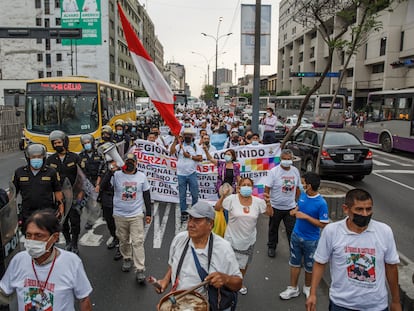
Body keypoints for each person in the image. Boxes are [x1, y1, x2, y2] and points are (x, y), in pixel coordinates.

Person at [306, 189, 401, 311]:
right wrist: (312, 293)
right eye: (359, 209)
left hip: (376, 306)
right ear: (346, 209)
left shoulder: (384, 231)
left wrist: (396, 301)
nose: (365, 214)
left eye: (369, 209)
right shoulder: (332, 231)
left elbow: (391, 267)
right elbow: (320, 262)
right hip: (341, 304)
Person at [154, 201, 243, 309]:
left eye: (197, 220)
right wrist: (165, 280)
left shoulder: (223, 249)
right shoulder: (179, 239)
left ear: (210, 224)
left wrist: (226, 279)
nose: (190, 224)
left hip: (204, 305)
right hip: (178, 302)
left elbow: (238, 284)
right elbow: (173, 264)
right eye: (190, 218)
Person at [0, 209, 92, 310]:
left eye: (39, 236)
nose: (32, 240)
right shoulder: (19, 260)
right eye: (29, 235)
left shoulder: (71, 262)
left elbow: (83, 299)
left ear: (54, 237)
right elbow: (3, 293)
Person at [215, 177, 273, 295]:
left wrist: (268, 202)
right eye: (244, 185)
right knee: (227, 263)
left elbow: (269, 213)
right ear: (239, 188)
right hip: (230, 239)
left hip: (248, 241)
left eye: (249, 185)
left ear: (252, 188)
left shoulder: (258, 202)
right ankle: (226, 282)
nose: (246, 187)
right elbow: (217, 208)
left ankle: (239, 282)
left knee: (243, 264)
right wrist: (223, 196)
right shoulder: (231, 199)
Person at [279, 172, 329, 300]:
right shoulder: (302, 195)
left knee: (309, 266)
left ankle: (307, 287)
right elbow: (299, 207)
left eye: (303, 183)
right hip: (296, 235)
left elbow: (323, 224)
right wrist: (295, 210)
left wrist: (306, 217)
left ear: (310, 185)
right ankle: (293, 288)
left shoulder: (321, 203)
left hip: (311, 240)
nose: (301, 185)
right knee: (294, 263)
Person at [110, 152, 152, 284]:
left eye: (131, 161)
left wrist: (149, 214)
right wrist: (111, 171)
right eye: (127, 161)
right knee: (123, 239)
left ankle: (140, 269)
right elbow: (105, 186)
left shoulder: (141, 177)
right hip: (120, 214)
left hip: (136, 215)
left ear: (136, 163)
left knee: (138, 241)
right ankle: (127, 258)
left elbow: (146, 195)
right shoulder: (116, 175)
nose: (129, 163)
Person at [12, 144, 64, 233]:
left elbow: (57, 191)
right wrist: (10, 211)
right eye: (33, 157)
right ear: (28, 158)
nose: (36, 159)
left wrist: (61, 206)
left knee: (46, 236)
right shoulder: (19, 172)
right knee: (30, 237)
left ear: (43, 157)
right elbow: (13, 194)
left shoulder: (51, 172)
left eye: (39, 157)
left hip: (46, 212)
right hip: (27, 213)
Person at [46, 130, 82, 254]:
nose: (57, 145)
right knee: (63, 221)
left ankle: (75, 243)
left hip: (74, 195)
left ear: (65, 142)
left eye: (59, 142)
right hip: (59, 197)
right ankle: (68, 241)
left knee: (75, 221)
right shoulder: (50, 160)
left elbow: (82, 177)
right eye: (55, 143)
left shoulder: (75, 157)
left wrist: (80, 193)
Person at [264, 149, 301, 258]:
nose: (286, 161)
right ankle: (271, 247)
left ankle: (293, 251)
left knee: (292, 231)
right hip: (276, 207)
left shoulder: (295, 171)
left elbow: (298, 188)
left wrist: (297, 203)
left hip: (290, 207)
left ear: (292, 160)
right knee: (273, 229)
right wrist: (268, 205)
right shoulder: (274, 172)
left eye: (288, 159)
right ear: (280, 159)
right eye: (284, 159)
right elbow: (267, 188)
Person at [170, 127, 202, 222]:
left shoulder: (196, 147)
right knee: (182, 195)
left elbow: (200, 158)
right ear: (183, 136)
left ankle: (194, 211)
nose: (188, 136)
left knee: (195, 194)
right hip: (181, 174)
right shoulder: (180, 146)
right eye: (186, 135)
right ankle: (183, 212)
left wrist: (190, 156)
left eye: (189, 135)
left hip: (192, 173)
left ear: (192, 137)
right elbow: (171, 152)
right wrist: (176, 141)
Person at [79, 134, 104, 230]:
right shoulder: (81, 156)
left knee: (101, 200)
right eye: (85, 143)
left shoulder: (99, 154)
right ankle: (90, 221)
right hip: (87, 182)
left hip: (99, 180)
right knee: (88, 203)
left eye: (88, 143)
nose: (87, 145)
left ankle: (104, 214)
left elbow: (102, 169)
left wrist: (98, 183)